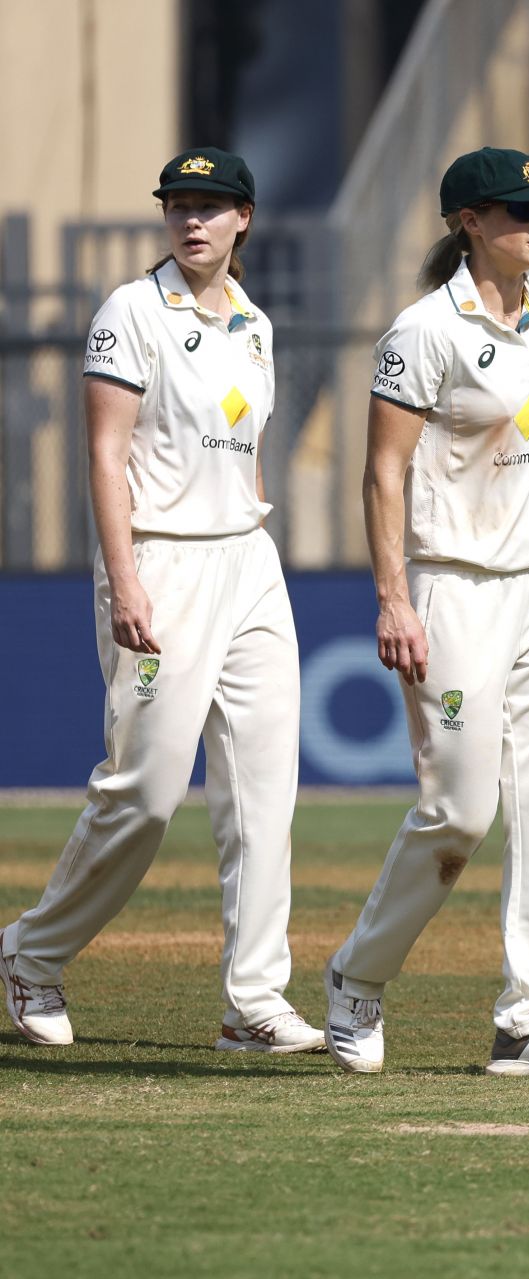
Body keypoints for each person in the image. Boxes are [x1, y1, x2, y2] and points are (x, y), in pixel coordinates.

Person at [321, 147, 529, 1077]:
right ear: (467, 221)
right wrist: (394, 598)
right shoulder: (424, 331)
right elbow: (384, 471)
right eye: (514, 210)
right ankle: (357, 975)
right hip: (453, 584)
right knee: (459, 811)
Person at [0, 149, 324, 1054]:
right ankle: (32, 952)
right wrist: (126, 577)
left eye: (211, 207)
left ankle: (255, 1001)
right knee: (145, 789)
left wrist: (256, 542)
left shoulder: (255, 324)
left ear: (244, 218)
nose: (193, 222)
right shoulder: (131, 312)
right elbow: (105, 454)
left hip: (247, 563)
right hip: (162, 562)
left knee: (264, 789)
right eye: (179, 206)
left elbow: (246, 449)